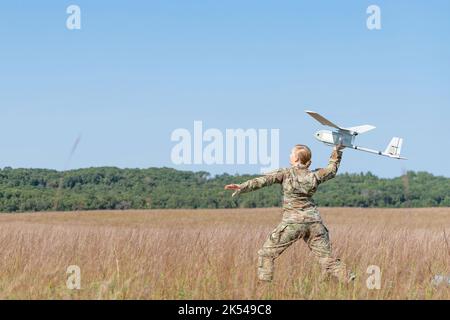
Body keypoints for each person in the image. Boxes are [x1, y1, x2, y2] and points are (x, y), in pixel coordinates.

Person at [225, 144, 355, 283]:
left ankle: (264, 288)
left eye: (291, 154)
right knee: (326, 260)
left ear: (296, 159)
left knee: (266, 254)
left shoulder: (285, 173)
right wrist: (337, 151)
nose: (289, 155)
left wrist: (242, 187)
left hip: (293, 223)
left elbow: (263, 181)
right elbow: (331, 169)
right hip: (315, 224)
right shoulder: (315, 175)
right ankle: (348, 277)